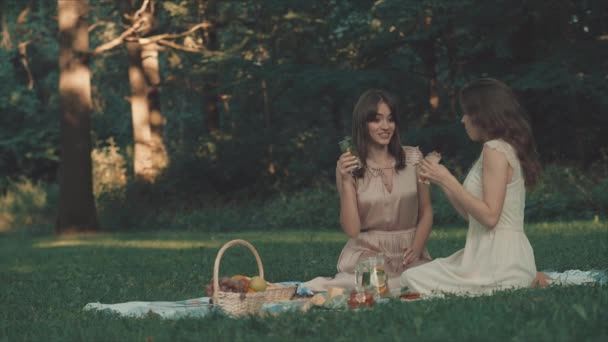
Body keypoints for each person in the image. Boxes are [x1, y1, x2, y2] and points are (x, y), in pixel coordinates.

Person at [400, 78, 542, 295]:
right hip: (492, 255)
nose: (463, 120)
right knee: (414, 274)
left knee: (412, 277)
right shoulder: (501, 148)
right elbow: (473, 217)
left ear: (482, 115)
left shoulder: (494, 149)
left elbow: (490, 218)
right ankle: (527, 277)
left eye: (466, 113)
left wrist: (448, 179)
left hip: (498, 261)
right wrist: (440, 181)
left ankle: (522, 279)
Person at [302, 89, 433, 292]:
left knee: (428, 280)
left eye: (390, 120)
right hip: (368, 253)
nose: (385, 127)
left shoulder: (414, 158)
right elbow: (352, 230)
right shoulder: (349, 167)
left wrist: (416, 247)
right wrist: (346, 180)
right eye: (377, 120)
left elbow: (426, 212)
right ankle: (332, 285)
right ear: (363, 124)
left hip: (410, 252)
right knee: (378, 286)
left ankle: (393, 283)